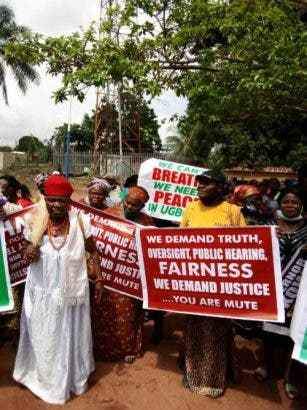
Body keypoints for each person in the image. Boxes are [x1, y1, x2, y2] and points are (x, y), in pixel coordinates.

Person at [13, 174, 103, 405]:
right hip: (42, 293)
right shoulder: (35, 220)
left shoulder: (81, 221)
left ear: (68, 201)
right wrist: (28, 252)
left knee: (67, 337)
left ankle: (69, 379)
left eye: (60, 201)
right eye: (51, 200)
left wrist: (99, 279)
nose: (55, 205)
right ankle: (38, 376)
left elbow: (93, 251)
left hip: (70, 296)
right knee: (43, 336)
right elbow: (25, 249)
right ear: (45, 198)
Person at [180, 170, 246, 398]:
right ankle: (191, 372)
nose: (199, 186)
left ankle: (215, 378)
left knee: (217, 331)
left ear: (219, 187)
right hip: (194, 283)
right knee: (193, 327)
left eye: (206, 183)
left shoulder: (233, 212)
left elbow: (246, 247)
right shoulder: (189, 208)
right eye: (199, 183)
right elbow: (179, 243)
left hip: (221, 287)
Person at [92, 184, 151, 363]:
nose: (129, 207)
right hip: (108, 274)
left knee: (129, 314)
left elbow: (148, 249)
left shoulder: (147, 222)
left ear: (142, 206)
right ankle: (101, 350)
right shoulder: (108, 214)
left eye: (135, 205)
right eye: (127, 202)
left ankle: (128, 349)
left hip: (130, 278)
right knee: (104, 312)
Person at [258, 188, 307, 399]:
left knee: (293, 336)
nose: (289, 205)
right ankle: (265, 366)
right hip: (272, 288)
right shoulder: (269, 226)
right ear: (280, 204)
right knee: (267, 331)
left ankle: (290, 377)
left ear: (301, 206)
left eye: (294, 202)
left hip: (298, 291)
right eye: (286, 201)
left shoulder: (306, 229)